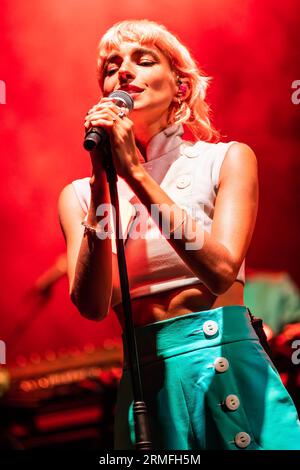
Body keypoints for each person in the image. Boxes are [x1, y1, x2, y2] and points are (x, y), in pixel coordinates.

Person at [58, 19, 300, 450]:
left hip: (225, 367)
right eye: (112, 68)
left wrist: (133, 173)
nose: (124, 72)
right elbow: (93, 306)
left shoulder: (226, 160)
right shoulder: (79, 195)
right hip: (146, 383)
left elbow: (221, 269)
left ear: (181, 88)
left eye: (143, 60)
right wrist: (102, 181)